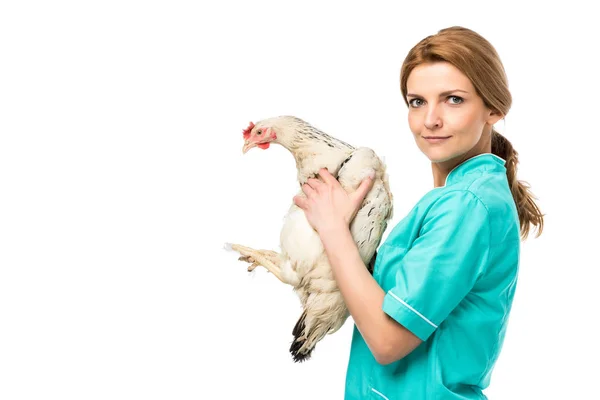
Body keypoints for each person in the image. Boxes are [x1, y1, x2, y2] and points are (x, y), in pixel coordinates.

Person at [293, 26, 544, 399]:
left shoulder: (466, 205)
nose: (430, 120)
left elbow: (387, 340)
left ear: (494, 109)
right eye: (417, 101)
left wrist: (334, 232)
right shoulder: (458, 196)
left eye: (454, 100)